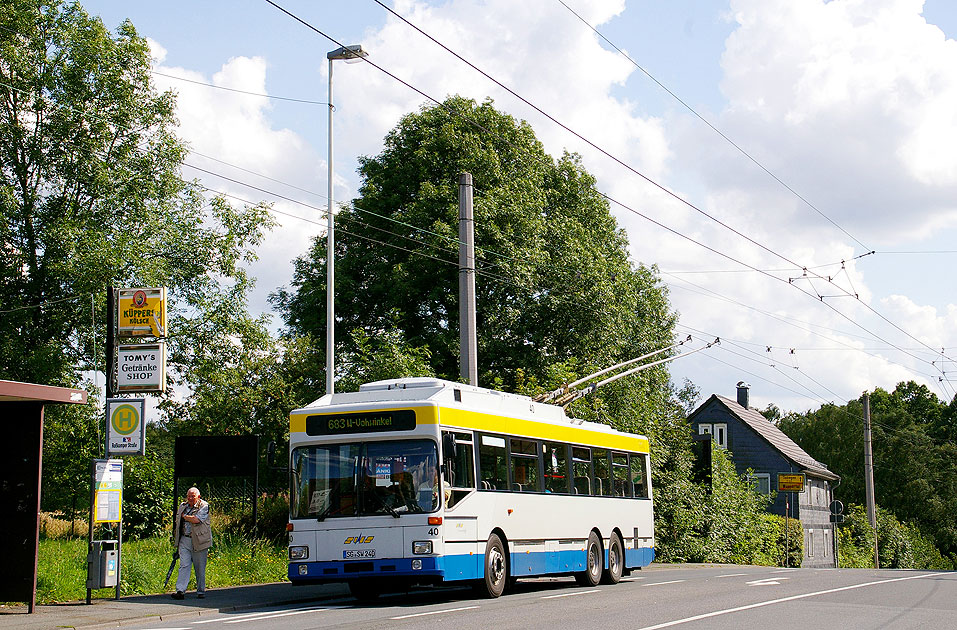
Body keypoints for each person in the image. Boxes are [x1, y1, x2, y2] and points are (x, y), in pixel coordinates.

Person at [171, 487, 212, 599]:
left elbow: (196, 520)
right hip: (184, 539)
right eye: (188, 496)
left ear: (198, 497)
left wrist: (185, 516)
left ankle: (200, 591)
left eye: (192, 496)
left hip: (199, 541)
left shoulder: (204, 506)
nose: (190, 498)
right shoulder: (182, 506)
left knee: (199, 567)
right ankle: (180, 591)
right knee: (184, 565)